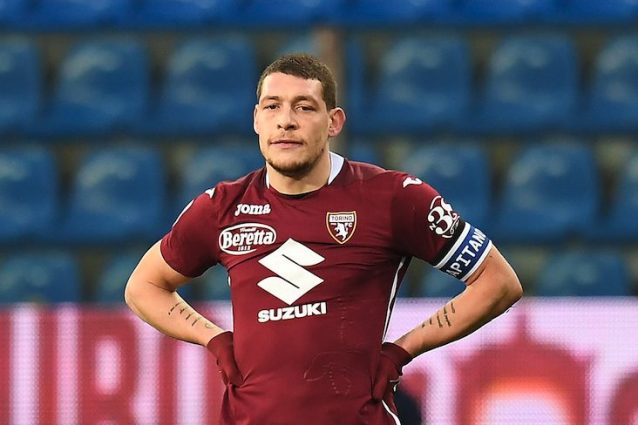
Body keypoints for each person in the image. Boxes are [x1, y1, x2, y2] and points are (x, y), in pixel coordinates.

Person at [125, 53, 522, 425]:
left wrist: (404, 349)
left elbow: (497, 283)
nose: (286, 121)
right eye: (272, 106)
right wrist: (213, 339)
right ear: (256, 120)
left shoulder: (393, 197)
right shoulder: (220, 207)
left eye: (304, 107)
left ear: (334, 122)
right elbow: (144, 286)